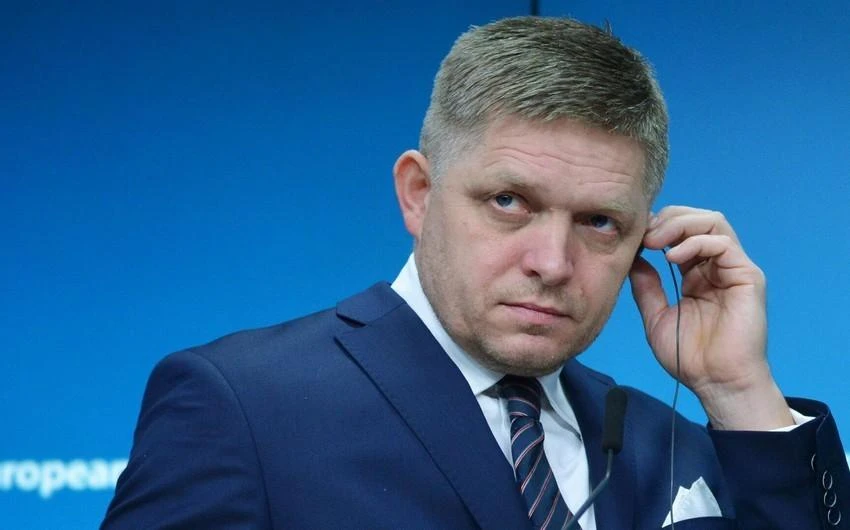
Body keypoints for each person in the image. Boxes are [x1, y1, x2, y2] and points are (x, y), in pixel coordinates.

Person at [101, 16, 848, 529]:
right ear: (418, 193)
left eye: (599, 222)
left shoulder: (670, 442)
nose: (552, 264)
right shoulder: (243, 406)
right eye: (509, 202)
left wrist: (738, 392)